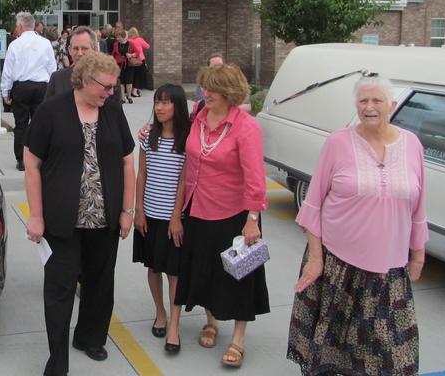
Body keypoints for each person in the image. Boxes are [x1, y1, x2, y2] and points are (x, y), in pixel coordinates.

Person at [286, 75, 428, 376]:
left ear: (392, 104)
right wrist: (315, 258)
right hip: (340, 267)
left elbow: (418, 205)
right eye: (363, 100)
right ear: (356, 105)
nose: (370, 107)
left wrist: (418, 253)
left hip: (390, 272)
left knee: (393, 358)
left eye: (377, 100)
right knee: (334, 353)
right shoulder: (338, 142)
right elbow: (313, 205)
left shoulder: (412, 144)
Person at [24, 52, 135, 376]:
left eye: (114, 87)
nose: (111, 92)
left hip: (105, 219)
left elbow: (128, 161)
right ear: (85, 81)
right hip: (62, 222)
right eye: (106, 86)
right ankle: (57, 363)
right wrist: (36, 216)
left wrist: (127, 210)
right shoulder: (51, 111)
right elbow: (32, 165)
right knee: (59, 292)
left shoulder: (112, 111)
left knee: (100, 283)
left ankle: (90, 337)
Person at [173, 62, 269, 368]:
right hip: (199, 208)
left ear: (230, 92)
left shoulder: (246, 126)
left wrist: (252, 218)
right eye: (203, 87)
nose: (205, 92)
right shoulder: (198, 117)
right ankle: (211, 321)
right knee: (205, 270)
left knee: (240, 275)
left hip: (236, 214)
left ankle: (238, 340)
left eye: (212, 88)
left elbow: (255, 177)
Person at [132, 84, 190, 354]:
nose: (159, 107)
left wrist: (176, 217)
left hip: (173, 219)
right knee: (153, 267)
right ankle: (161, 313)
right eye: (157, 101)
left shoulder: (187, 140)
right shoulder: (148, 137)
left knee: (174, 272)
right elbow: (141, 174)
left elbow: (183, 181)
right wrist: (138, 210)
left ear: (178, 106)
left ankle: (175, 326)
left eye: (166, 102)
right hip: (149, 216)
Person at [0, 12, 56, 171]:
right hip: (41, 86)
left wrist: (5, 91)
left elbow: (8, 71)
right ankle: (41, 156)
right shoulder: (45, 43)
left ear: (19, 26)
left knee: (21, 125)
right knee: (41, 123)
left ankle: (22, 160)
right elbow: (52, 69)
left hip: (21, 87)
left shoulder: (15, 45)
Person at [44, 26, 121, 104]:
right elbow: (47, 111)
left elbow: (116, 114)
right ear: (69, 50)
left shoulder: (110, 82)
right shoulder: (57, 78)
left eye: (84, 48)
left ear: (94, 49)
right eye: (75, 48)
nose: (79, 53)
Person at [111, 29, 141, 104]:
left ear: (123, 36)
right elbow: (113, 54)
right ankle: (123, 97)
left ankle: (129, 96)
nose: (118, 39)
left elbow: (137, 52)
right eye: (117, 37)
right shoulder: (116, 44)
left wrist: (131, 55)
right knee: (121, 81)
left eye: (119, 37)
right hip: (119, 64)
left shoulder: (130, 44)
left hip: (128, 64)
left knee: (129, 80)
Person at [128, 27, 151, 97]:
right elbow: (147, 47)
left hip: (131, 60)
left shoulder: (128, 40)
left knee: (132, 76)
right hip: (140, 60)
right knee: (138, 76)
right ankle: (134, 91)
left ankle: (131, 90)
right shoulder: (139, 40)